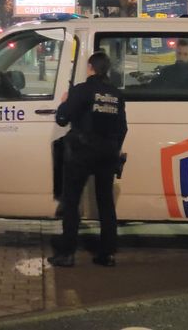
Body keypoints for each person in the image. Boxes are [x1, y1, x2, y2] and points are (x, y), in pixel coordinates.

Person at [48, 51, 128, 267]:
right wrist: (114, 151)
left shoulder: (82, 91)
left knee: (71, 202)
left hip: (82, 152)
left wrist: (64, 102)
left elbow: (63, 119)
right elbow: (123, 128)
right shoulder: (116, 94)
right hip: (108, 153)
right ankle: (107, 254)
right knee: (106, 203)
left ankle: (66, 253)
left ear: (90, 68)